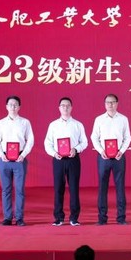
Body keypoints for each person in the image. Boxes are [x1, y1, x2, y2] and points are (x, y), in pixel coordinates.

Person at [44, 96, 88, 227]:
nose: (65, 108)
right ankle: (58, 218)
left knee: (74, 188)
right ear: (59, 108)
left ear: (71, 108)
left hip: (73, 159)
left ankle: (74, 218)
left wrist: (76, 149)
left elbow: (84, 142)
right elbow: (47, 143)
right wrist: (54, 153)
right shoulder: (53, 125)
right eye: (63, 105)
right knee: (58, 188)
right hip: (58, 159)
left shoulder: (78, 125)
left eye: (68, 105)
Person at [0, 95, 35, 227]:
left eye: (15, 104)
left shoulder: (25, 122)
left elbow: (30, 140)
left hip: (20, 159)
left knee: (20, 189)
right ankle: (7, 217)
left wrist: (24, 154)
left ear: (19, 107)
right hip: (4, 159)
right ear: (6, 107)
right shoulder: (0, 123)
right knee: (6, 189)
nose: (13, 107)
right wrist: (1, 154)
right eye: (10, 104)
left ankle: (19, 218)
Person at [90, 93, 131, 225]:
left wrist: (121, 151)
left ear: (117, 104)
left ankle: (121, 218)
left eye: (113, 102)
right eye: (108, 102)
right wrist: (101, 150)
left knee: (120, 187)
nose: (110, 105)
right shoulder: (99, 119)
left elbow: (128, 137)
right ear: (105, 104)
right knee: (102, 188)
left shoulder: (123, 119)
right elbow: (94, 137)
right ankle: (102, 218)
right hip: (103, 157)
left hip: (119, 157)